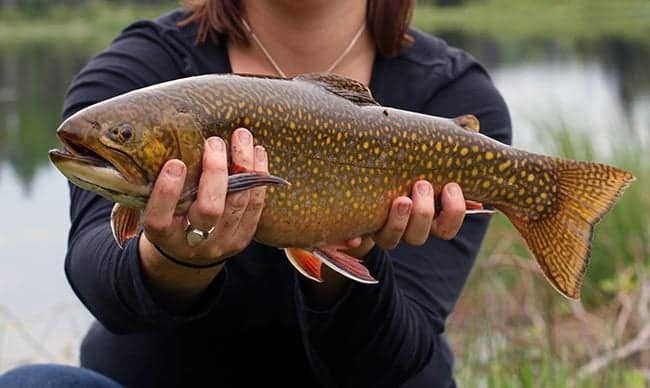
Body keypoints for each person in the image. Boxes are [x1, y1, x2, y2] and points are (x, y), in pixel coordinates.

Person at [0, 0, 511, 387]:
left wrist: (354, 243)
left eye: (124, 139)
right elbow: (97, 276)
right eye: (124, 139)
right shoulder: (140, 66)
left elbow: (393, 361)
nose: (117, 141)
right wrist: (176, 260)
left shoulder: (453, 97)